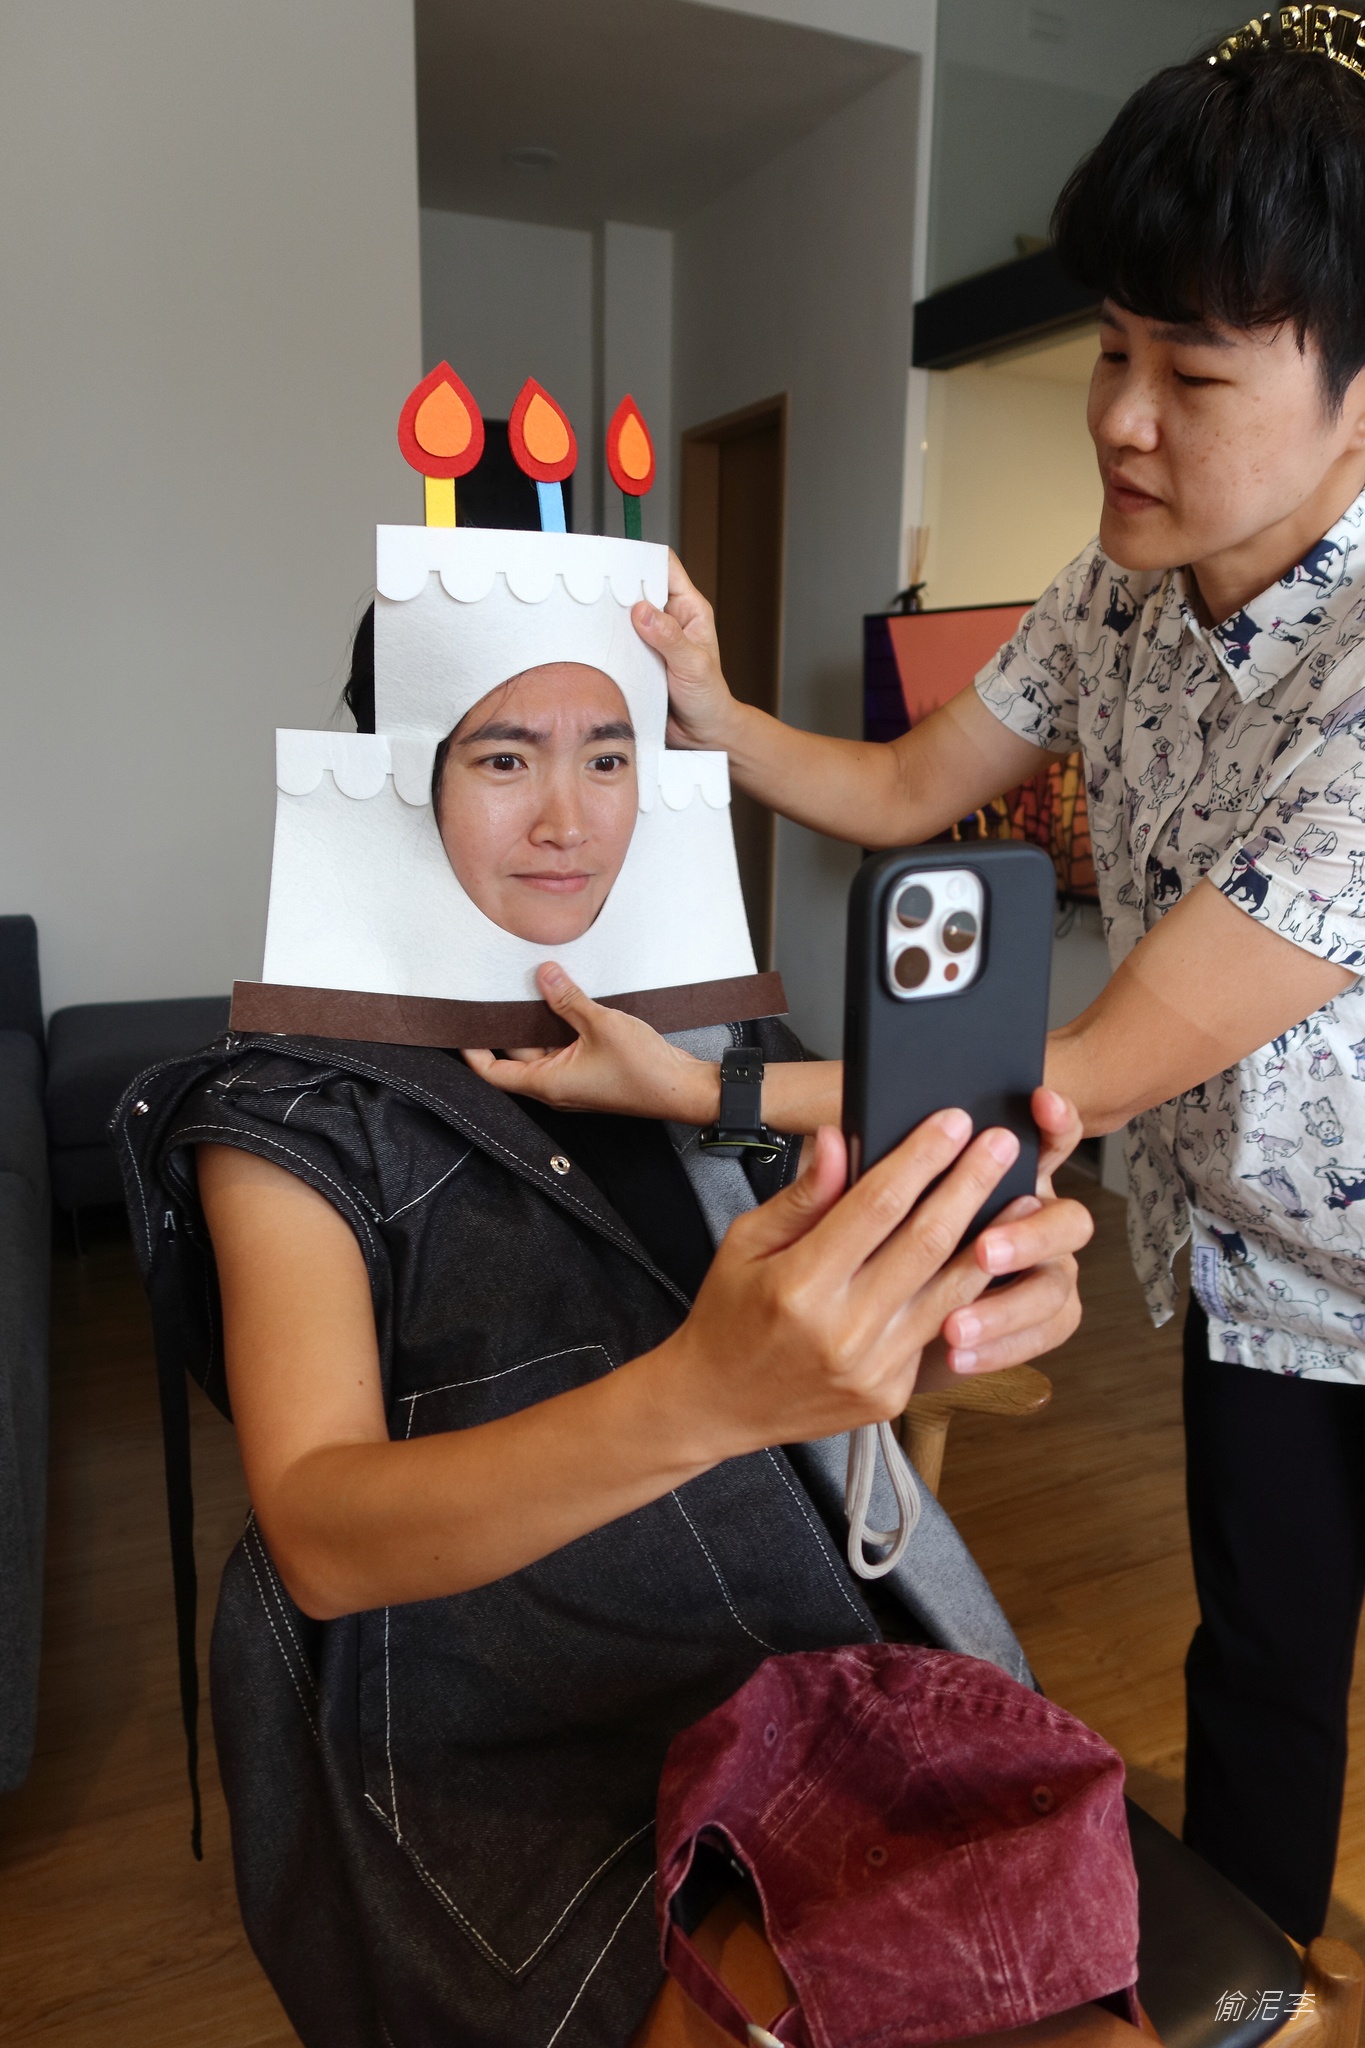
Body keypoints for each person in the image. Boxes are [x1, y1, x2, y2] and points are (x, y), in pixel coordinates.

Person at [471, 21, 1365, 1946]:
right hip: (1257, 1259)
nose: (1122, 418)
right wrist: (708, 712)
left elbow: (1077, 1065)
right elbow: (898, 787)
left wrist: (699, 1087)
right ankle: (1252, 1979)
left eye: (1192, 372)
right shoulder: (1110, 590)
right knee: (1266, 1651)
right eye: (1111, 349)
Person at [119, 646, 1092, 2048]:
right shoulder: (289, 1112)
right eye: (503, 758)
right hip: (492, 1724)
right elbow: (321, 1534)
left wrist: (948, 1325)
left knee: (1058, 1983)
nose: (567, 820)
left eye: (610, 756)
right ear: (399, 776)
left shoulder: (712, 1048)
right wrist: (704, 1397)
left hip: (798, 1642)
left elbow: (810, 1357)